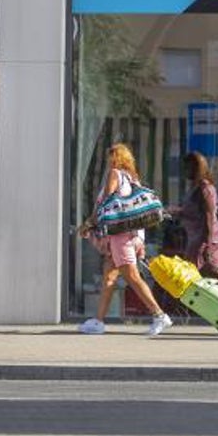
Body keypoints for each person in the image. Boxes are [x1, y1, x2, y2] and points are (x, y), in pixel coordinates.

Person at [79, 143, 173, 337]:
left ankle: (159, 315)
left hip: (120, 237)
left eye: (110, 156)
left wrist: (88, 223)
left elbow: (107, 203)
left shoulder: (115, 174)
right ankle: (98, 321)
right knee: (109, 278)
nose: (108, 161)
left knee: (132, 275)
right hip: (131, 235)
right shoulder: (133, 179)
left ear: (115, 158)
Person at [178, 150, 218, 281]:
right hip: (196, 240)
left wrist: (207, 244)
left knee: (198, 276)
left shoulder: (204, 188)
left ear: (197, 168)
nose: (186, 171)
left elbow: (209, 216)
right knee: (201, 275)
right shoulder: (195, 188)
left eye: (188, 167)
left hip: (203, 241)